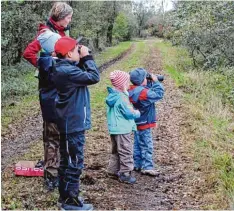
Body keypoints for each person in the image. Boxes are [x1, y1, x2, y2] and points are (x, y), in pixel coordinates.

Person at [23, 2, 73, 189]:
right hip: (50, 90)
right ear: (60, 17)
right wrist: (45, 66)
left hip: (62, 89)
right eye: (68, 17)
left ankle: (60, 167)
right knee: (52, 131)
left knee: (62, 131)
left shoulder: (62, 33)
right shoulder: (45, 34)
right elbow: (29, 53)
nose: (70, 20)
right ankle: (50, 174)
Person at [53, 36, 100, 210]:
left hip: (69, 123)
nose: (78, 52)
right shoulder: (68, 72)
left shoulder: (63, 68)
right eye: (75, 50)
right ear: (67, 54)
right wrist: (87, 57)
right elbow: (94, 77)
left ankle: (64, 197)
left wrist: (79, 56)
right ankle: (70, 201)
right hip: (72, 125)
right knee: (74, 163)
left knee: (67, 162)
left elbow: (82, 73)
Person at [106, 70, 140, 184]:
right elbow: (128, 113)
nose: (128, 84)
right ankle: (125, 173)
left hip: (115, 129)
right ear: (122, 84)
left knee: (116, 150)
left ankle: (113, 170)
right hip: (123, 129)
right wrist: (137, 113)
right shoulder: (122, 98)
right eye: (126, 82)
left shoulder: (113, 95)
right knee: (126, 150)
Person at [128, 68, 164, 176]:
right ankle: (148, 166)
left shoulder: (132, 90)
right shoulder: (143, 93)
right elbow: (158, 94)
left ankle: (137, 164)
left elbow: (144, 91)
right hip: (145, 122)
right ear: (142, 80)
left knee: (138, 144)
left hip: (137, 122)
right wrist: (156, 82)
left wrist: (148, 82)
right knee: (147, 145)